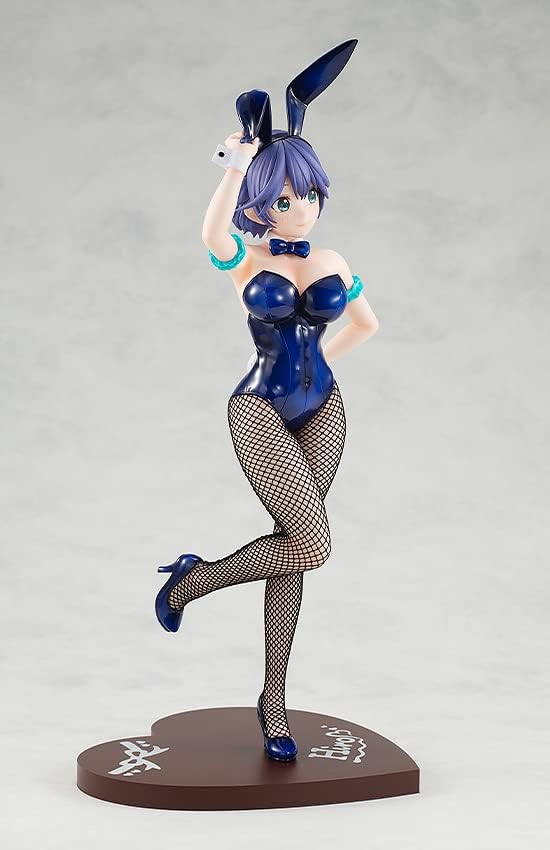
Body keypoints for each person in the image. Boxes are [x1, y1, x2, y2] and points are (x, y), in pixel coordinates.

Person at [155, 39, 379, 762]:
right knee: (311, 542)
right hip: (259, 407)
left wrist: (318, 366)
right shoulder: (246, 260)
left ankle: (272, 704)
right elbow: (209, 233)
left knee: (295, 551)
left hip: (323, 406)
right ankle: (193, 583)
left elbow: (366, 326)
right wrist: (235, 165)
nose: (300, 209)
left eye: (308, 195)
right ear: (261, 202)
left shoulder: (334, 260)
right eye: (284, 199)